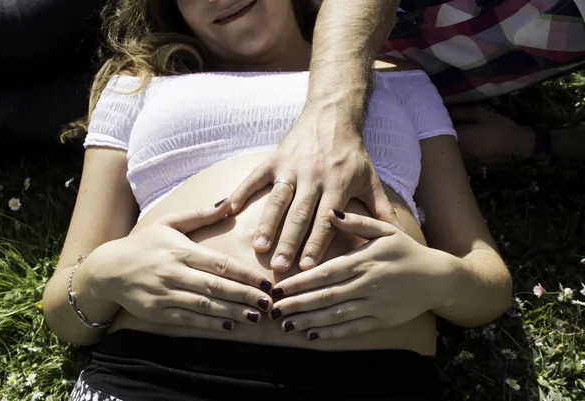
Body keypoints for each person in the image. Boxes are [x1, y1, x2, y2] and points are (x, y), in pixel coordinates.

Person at [41, 1, 513, 400]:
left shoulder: (399, 82)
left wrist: (437, 281)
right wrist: (104, 277)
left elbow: (488, 282)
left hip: (371, 379)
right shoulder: (137, 88)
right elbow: (63, 309)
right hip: (150, 374)